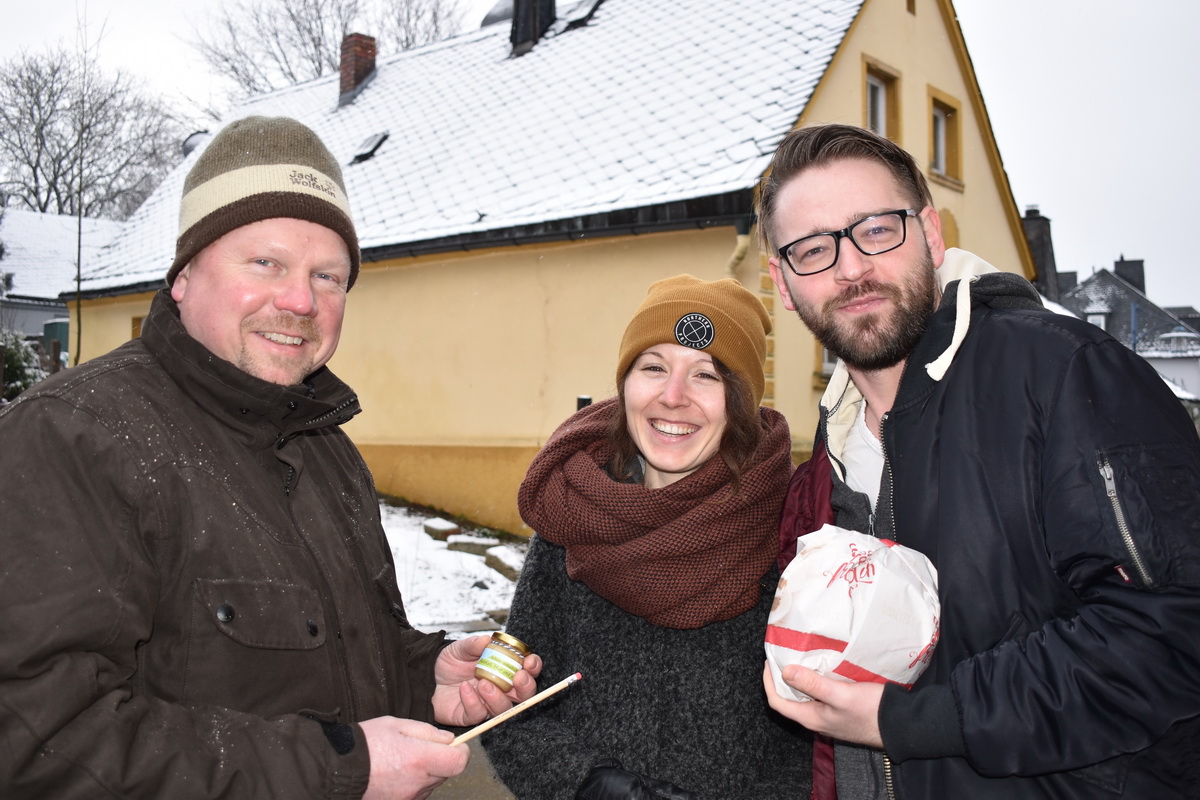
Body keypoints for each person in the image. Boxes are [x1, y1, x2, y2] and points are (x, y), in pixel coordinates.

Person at [0, 115, 540, 800]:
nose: (299, 301)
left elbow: (338, 651)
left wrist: (424, 676)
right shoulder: (73, 439)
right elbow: (38, 743)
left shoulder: (323, 446)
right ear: (184, 276)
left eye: (329, 276)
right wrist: (341, 767)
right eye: (266, 263)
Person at [756, 122, 1200, 799]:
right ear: (783, 284)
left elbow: (1172, 633)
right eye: (813, 249)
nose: (850, 268)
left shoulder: (1061, 374)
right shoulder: (831, 458)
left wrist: (917, 719)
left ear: (931, 235)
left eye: (876, 230)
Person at [482, 275, 812, 798]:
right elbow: (507, 707)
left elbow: (814, 742)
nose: (673, 396)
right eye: (653, 367)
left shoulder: (789, 537)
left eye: (706, 375)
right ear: (625, 385)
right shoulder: (573, 519)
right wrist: (586, 784)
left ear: (741, 404)